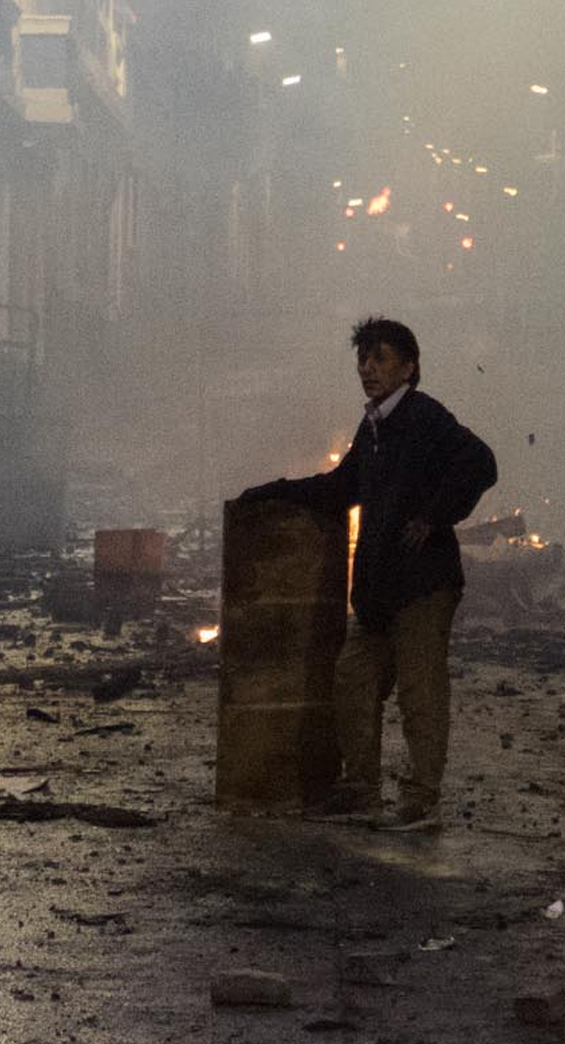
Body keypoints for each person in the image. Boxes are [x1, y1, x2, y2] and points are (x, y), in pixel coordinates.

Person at [239, 316, 497, 831]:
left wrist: (434, 516)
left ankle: (421, 801)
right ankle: (361, 788)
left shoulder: (424, 417)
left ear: (408, 367)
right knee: (353, 679)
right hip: (380, 588)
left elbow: (481, 462)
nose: (367, 369)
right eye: (363, 359)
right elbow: (340, 488)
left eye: (380, 358)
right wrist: (274, 492)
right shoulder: (374, 428)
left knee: (420, 693)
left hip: (423, 584)